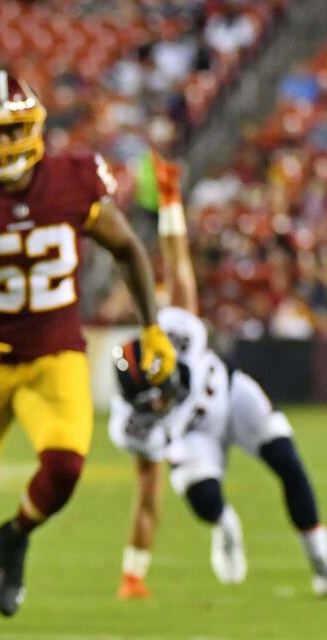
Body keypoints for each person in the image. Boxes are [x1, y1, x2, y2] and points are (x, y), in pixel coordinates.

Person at [0, 69, 176, 637]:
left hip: (56, 354)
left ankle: (17, 535)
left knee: (65, 467)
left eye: (11, 131)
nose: (2, 145)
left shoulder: (73, 179)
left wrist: (151, 327)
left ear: (34, 128)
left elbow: (127, 248)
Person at [109, 152, 327, 599]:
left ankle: (321, 558)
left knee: (286, 459)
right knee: (203, 499)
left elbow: (178, 267)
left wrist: (170, 204)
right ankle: (225, 524)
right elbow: (149, 494)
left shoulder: (176, 333)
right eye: (147, 402)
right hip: (191, 434)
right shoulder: (133, 424)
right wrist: (135, 569)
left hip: (226, 396)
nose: (155, 404)